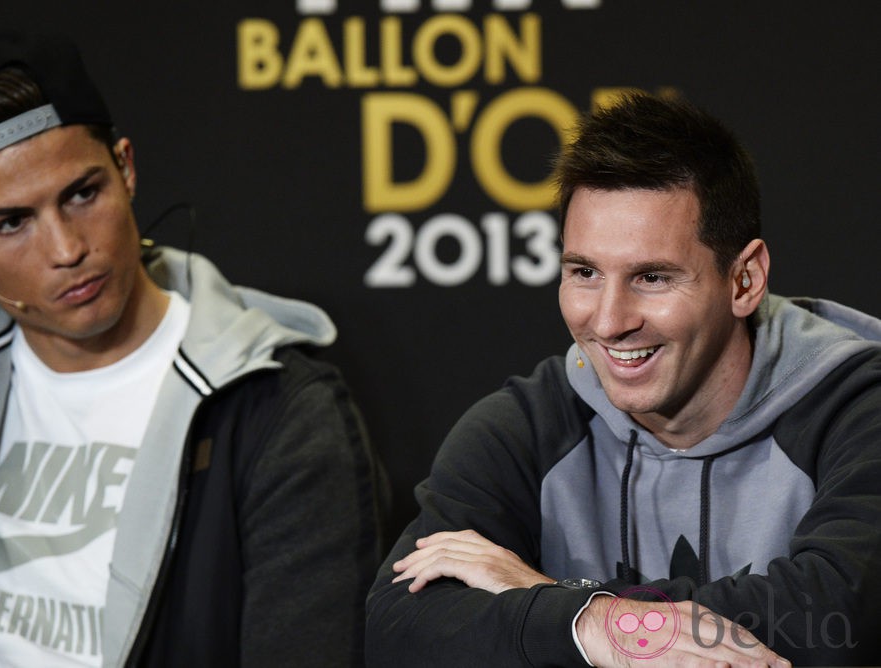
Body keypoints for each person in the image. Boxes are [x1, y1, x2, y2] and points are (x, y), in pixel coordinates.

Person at [0, 31, 388, 667]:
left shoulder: (279, 410)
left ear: (126, 168)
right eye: (11, 223)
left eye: (82, 193)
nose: (66, 248)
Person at [366, 93, 881, 666]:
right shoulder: (526, 427)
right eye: (584, 272)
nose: (609, 321)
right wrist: (587, 627)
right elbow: (400, 628)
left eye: (652, 277)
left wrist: (561, 605)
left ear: (744, 281)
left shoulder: (858, 410)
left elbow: (838, 615)